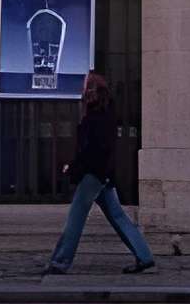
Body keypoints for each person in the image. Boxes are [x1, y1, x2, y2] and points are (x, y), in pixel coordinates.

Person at [41, 68, 152, 276]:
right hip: (102, 173)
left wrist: (75, 167)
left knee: (76, 217)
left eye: (85, 84)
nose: (81, 88)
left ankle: (60, 261)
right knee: (118, 216)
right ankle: (144, 255)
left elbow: (91, 149)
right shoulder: (106, 112)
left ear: (91, 89)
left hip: (93, 174)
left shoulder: (95, 116)